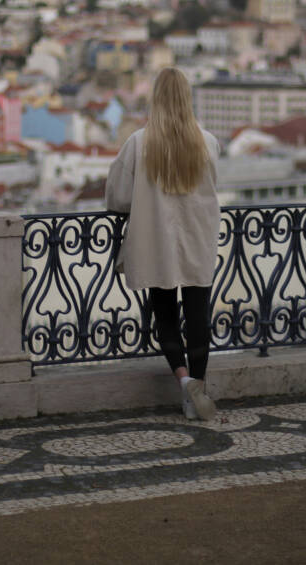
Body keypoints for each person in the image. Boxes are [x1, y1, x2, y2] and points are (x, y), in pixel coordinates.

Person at [106, 67, 221, 421]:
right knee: (198, 317)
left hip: (154, 241)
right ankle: (196, 389)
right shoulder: (208, 141)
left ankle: (185, 383)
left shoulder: (138, 143)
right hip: (197, 240)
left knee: (166, 316)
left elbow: (118, 199)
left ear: (155, 100)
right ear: (188, 99)